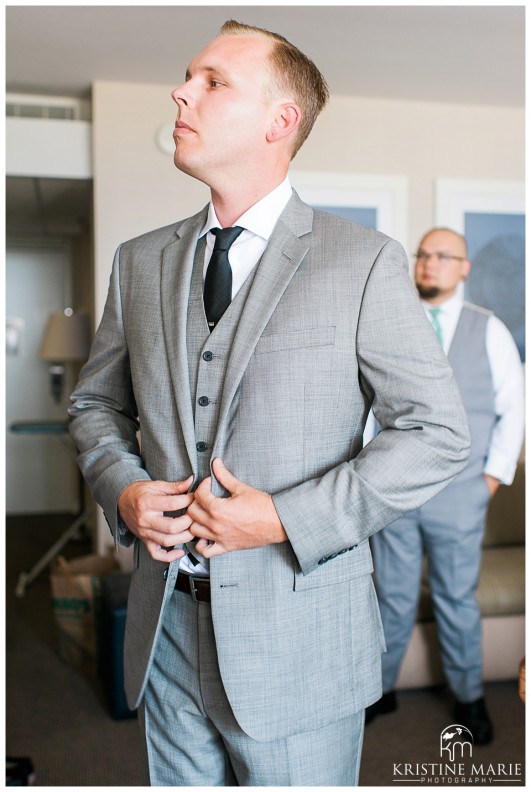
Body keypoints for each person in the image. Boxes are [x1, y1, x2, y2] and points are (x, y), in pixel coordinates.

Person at [69, 22, 470, 786]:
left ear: (278, 121)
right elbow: (94, 406)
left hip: (300, 636)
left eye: (213, 81)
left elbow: (437, 434)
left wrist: (286, 518)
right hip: (165, 628)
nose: (182, 91)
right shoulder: (139, 261)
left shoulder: (362, 262)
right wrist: (121, 487)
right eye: (188, 75)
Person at [367, 227, 524, 745]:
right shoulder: (391, 324)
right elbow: (367, 404)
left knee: (457, 598)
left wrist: (491, 480)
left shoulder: (490, 330)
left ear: (464, 268)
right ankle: (381, 689)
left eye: (443, 255)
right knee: (390, 595)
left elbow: (513, 410)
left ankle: (470, 697)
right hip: (394, 490)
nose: (429, 263)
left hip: (462, 494)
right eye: (424, 254)